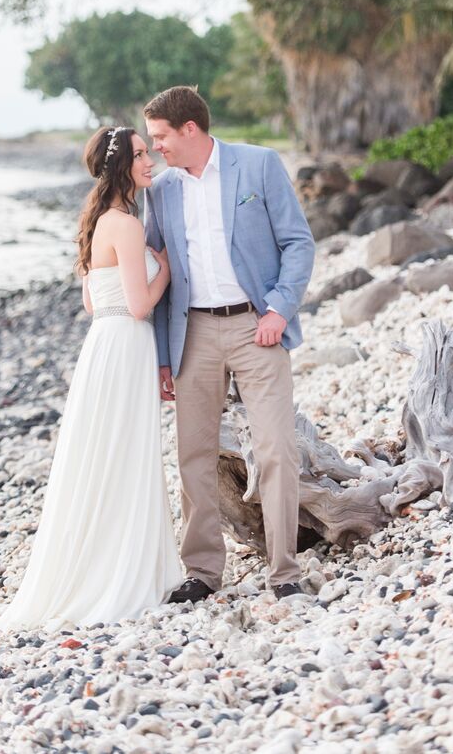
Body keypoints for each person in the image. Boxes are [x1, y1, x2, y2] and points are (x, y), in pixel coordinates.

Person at [0, 126, 182, 631]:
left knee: (108, 454)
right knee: (126, 453)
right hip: (125, 344)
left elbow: (92, 301)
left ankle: (107, 560)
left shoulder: (99, 220)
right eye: (141, 155)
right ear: (121, 166)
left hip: (105, 344)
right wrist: (164, 269)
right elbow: (140, 306)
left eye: (149, 152)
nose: (150, 161)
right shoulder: (126, 224)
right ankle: (120, 573)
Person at [143, 86, 315, 603]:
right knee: (193, 453)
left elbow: (297, 242)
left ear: (189, 129)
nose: (156, 149)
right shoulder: (162, 190)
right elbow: (158, 271)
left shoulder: (258, 165)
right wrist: (162, 356)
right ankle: (202, 571)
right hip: (191, 332)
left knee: (275, 450)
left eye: (160, 137)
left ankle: (284, 571)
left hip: (254, 326)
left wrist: (279, 308)